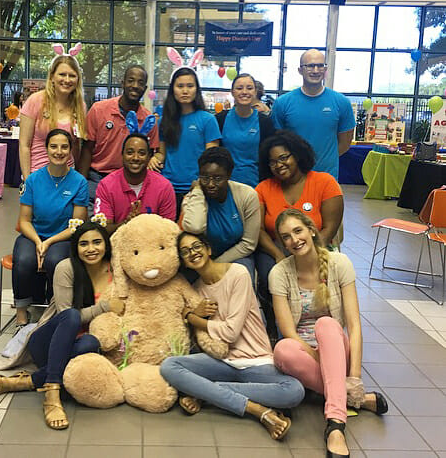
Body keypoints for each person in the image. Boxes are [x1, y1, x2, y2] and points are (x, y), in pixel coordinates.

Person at [160, 232, 305, 441]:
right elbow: (201, 339)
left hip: (256, 360)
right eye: (185, 252)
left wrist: (192, 317)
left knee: (294, 391)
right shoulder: (195, 291)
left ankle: (205, 394)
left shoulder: (238, 273)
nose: (192, 253)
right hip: (221, 362)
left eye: (196, 246)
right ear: (183, 261)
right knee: (169, 366)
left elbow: (230, 331)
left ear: (208, 249)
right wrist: (193, 314)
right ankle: (259, 410)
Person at [270, 209, 388, 457]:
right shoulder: (279, 273)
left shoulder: (339, 264)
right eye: (286, 237)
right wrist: (320, 362)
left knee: (326, 323)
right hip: (303, 354)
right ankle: (358, 401)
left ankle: (335, 424)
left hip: (335, 348)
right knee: (282, 349)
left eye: (298, 231)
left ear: (311, 230)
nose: (294, 240)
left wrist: (354, 377)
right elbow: (288, 332)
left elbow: (354, 326)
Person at [0, 221, 125, 430]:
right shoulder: (66, 268)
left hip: (81, 347)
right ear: (75, 248)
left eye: (97, 242)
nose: (91, 249)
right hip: (49, 340)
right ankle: (52, 395)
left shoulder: (116, 271)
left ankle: (29, 381)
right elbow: (65, 315)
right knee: (71, 315)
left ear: (106, 245)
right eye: (84, 244)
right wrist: (105, 307)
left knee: (90, 342)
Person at [255, 131, 344, 337]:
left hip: (316, 246)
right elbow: (258, 230)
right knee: (269, 273)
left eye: (284, 157)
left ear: (297, 155)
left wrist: (304, 252)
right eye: (272, 162)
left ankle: (320, 328)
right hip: (275, 248)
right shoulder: (263, 188)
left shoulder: (325, 182)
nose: (278, 165)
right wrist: (279, 255)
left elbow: (330, 228)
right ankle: (274, 329)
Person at [13, 129, 89, 327]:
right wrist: (39, 242)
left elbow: (77, 224)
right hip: (33, 235)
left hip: (63, 237)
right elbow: (24, 221)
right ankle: (22, 311)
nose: (59, 151)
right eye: (53, 146)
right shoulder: (33, 180)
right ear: (46, 149)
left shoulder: (79, 182)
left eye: (64, 147)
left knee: (56, 261)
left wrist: (49, 242)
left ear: (71, 150)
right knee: (23, 260)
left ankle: (53, 309)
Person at [272, 49, 356, 180]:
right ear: (300, 70)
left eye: (320, 66)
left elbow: (344, 144)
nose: (316, 70)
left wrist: (324, 160)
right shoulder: (282, 103)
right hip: (293, 178)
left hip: (327, 178)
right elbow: (277, 144)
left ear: (325, 69)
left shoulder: (341, 102)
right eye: (310, 66)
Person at [80, 64, 158, 202]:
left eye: (140, 83)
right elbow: (87, 149)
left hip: (130, 180)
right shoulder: (99, 110)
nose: (135, 85)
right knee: (96, 221)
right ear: (122, 83)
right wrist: (80, 183)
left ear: (145, 89)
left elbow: (151, 153)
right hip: (97, 177)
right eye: (130, 80)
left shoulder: (148, 119)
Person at [180, 147, 260, 281]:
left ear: (228, 175)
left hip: (238, 254)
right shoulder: (194, 198)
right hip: (202, 257)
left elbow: (248, 244)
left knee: (242, 275)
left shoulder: (247, 195)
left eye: (217, 178)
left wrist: (215, 265)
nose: (211, 184)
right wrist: (199, 190)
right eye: (205, 178)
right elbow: (194, 227)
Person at [148, 67, 221, 214]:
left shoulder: (208, 120)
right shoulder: (163, 121)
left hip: (196, 188)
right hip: (167, 188)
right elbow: (162, 154)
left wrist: (201, 183)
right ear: (173, 90)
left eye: (190, 86)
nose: (185, 91)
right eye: (180, 86)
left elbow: (211, 159)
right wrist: (154, 158)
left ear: (196, 89)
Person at [19, 52, 86, 180]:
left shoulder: (80, 106)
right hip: (37, 175)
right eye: (62, 74)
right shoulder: (35, 101)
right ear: (52, 77)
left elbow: (77, 146)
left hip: (67, 176)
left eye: (72, 76)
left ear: (78, 79)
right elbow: (24, 146)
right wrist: (28, 181)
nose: (67, 80)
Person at [94, 132, 176, 233]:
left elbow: (169, 230)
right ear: (122, 154)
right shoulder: (106, 186)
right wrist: (126, 224)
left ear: (149, 156)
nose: (135, 158)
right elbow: (102, 230)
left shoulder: (164, 187)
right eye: (130, 152)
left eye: (141, 153)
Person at [215, 73, 275, 187]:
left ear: (255, 92)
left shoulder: (265, 123)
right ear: (232, 92)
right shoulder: (220, 120)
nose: (244, 92)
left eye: (249, 88)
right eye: (239, 88)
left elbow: (269, 157)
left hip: (256, 186)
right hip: (224, 186)